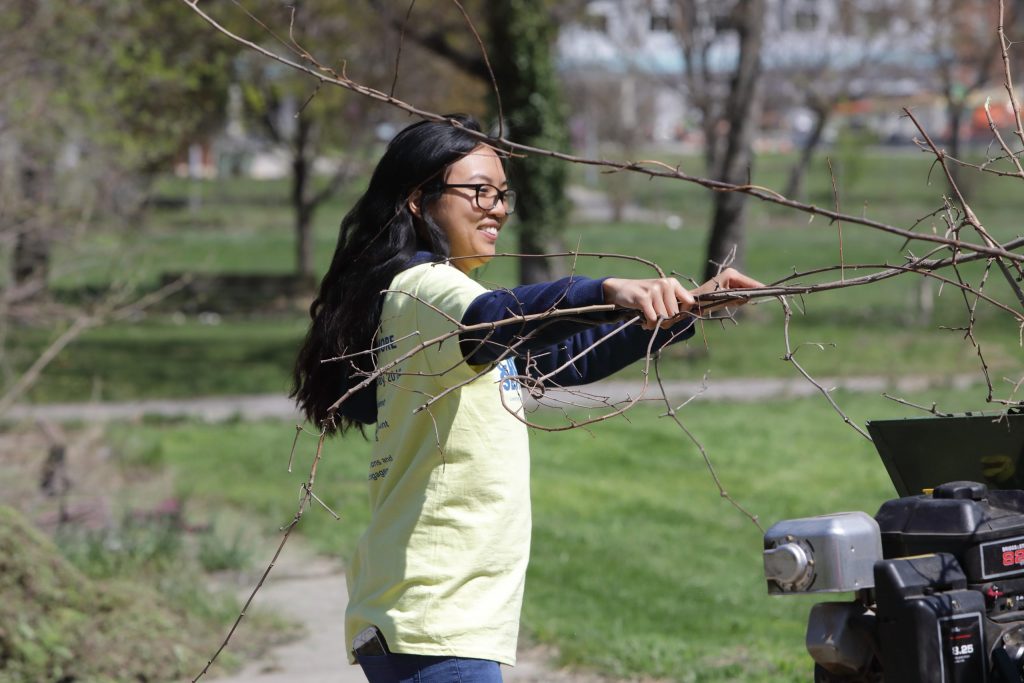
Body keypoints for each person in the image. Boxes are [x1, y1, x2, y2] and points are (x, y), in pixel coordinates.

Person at [291, 114, 762, 683]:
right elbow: (502, 315)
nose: (497, 209)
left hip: (422, 611)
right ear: (419, 199)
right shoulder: (429, 288)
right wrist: (603, 289)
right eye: (479, 192)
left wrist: (683, 312)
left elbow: (561, 358)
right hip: (439, 619)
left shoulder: (423, 304)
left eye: (503, 195)